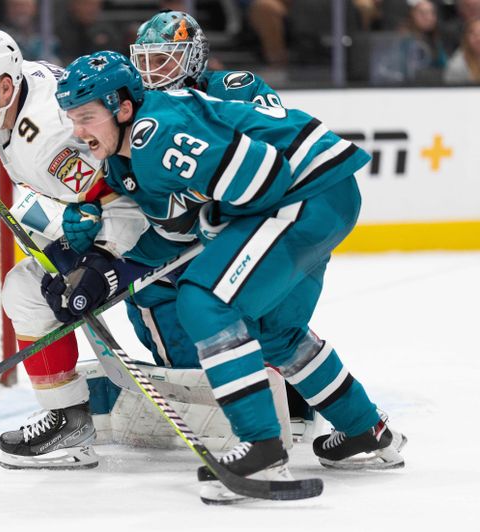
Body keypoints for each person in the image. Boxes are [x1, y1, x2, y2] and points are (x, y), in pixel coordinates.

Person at [52, 50, 408, 503]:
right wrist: (110, 273)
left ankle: (262, 446)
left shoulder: (156, 133)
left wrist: (211, 219)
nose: (78, 131)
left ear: (123, 107)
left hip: (307, 194)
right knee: (277, 332)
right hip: (325, 195)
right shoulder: (127, 162)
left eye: (87, 116)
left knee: (204, 299)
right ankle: (365, 428)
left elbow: (265, 178)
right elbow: (174, 234)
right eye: (72, 118)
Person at [0, 28, 148, 470]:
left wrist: (99, 262)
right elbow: (3, 144)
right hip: (94, 219)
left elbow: (124, 201)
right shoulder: (18, 88)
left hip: (149, 231)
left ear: (3, 88)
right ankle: (68, 418)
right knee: (26, 290)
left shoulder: (50, 135)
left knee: (34, 291)